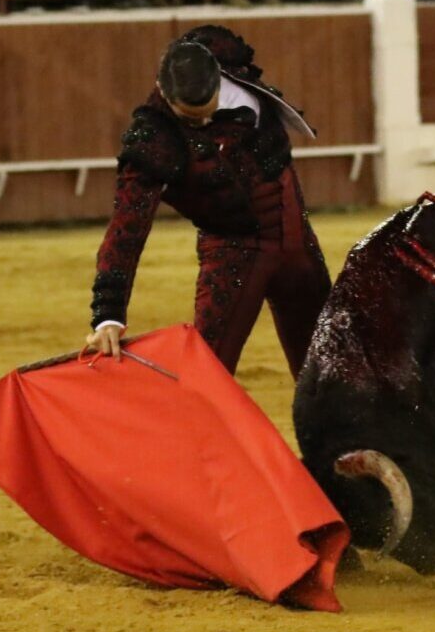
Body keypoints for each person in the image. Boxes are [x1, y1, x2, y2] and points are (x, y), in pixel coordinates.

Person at [85, 27, 331, 379]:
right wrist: (108, 314)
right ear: (165, 94)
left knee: (327, 370)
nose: (202, 123)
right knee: (207, 376)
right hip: (235, 252)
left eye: (207, 110)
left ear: (218, 77)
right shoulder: (154, 138)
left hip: (297, 239)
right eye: (190, 118)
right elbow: (126, 227)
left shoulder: (224, 56)